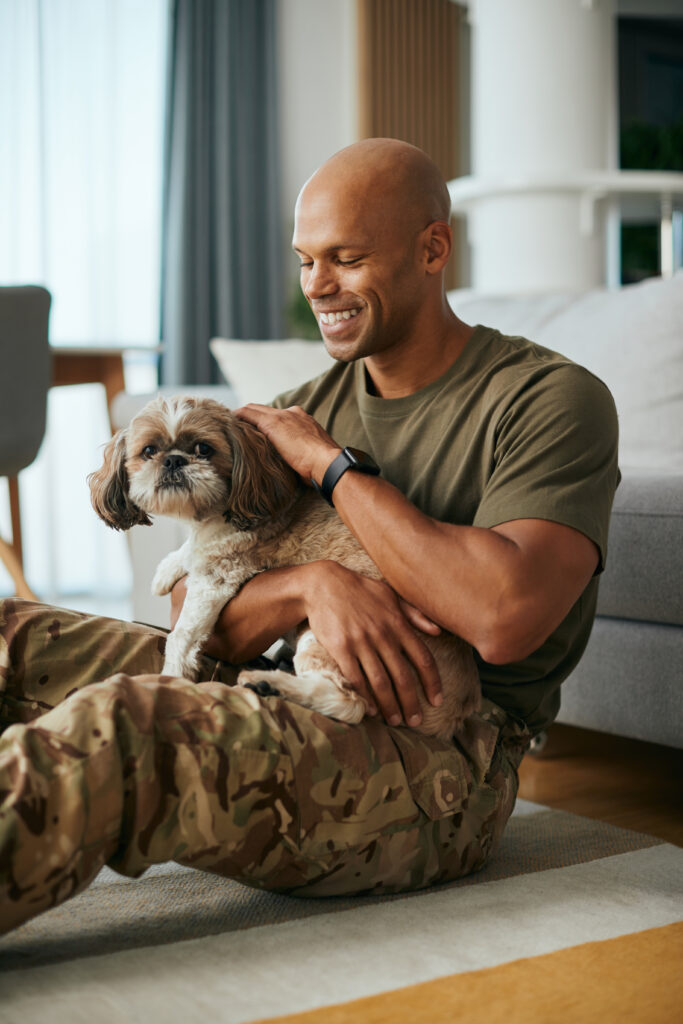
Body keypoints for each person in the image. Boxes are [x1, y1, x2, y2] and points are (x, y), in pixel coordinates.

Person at [0, 139, 619, 935]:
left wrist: (332, 468)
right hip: (275, 684)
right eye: (305, 261)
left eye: (346, 258)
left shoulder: (548, 399)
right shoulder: (301, 402)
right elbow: (198, 601)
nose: (317, 286)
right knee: (10, 633)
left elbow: (503, 618)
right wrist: (309, 588)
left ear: (432, 247)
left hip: (445, 757)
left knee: (130, 728)